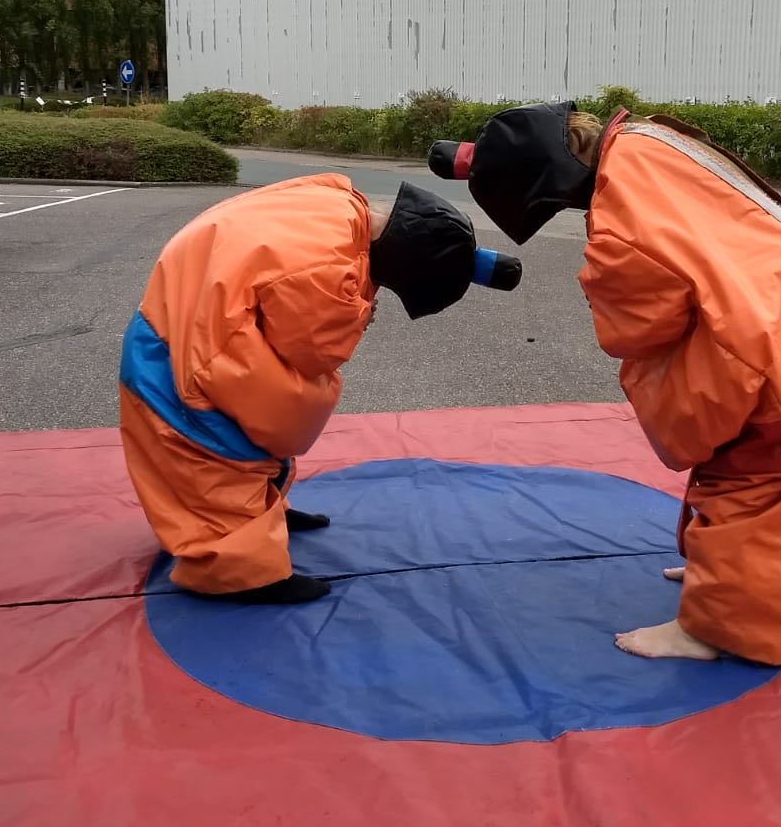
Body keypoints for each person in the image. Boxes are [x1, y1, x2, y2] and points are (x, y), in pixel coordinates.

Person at [430, 102, 781, 663]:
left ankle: (722, 627)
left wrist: (600, 282)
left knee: (756, 483)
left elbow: (639, 324)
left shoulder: (622, 209)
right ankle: (732, 575)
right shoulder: (647, 142)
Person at [120, 175, 521, 605]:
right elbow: (312, 351)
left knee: (264, 414)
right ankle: (236, 568)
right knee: (221, 451)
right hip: (184, 362)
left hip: (182, 318)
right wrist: (359, 312)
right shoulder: (328, 273)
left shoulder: (338, 206)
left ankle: (262, 510)